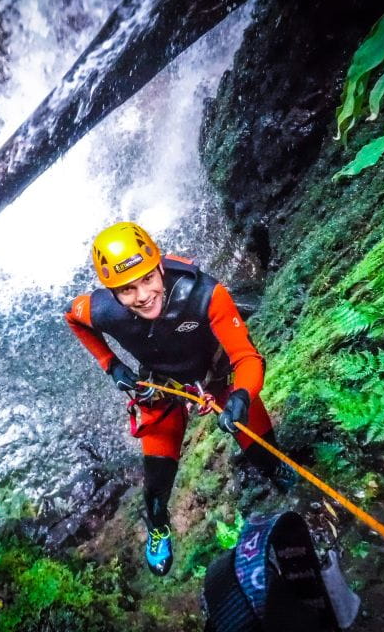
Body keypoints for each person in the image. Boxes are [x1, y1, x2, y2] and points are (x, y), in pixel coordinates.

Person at [65, 222, 292, 577]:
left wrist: (242, 396)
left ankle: (276, 471)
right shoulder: (102, 310)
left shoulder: (205, 295)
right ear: (112, 292)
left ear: (159, 267)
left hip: (216, 379)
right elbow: (72, 317)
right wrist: (111, 365)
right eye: (127, 289)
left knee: (261, 446)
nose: (143, 296)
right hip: (162, 388)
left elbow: (246, 357)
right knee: (157, 482)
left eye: (147, 279)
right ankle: (158, 527)